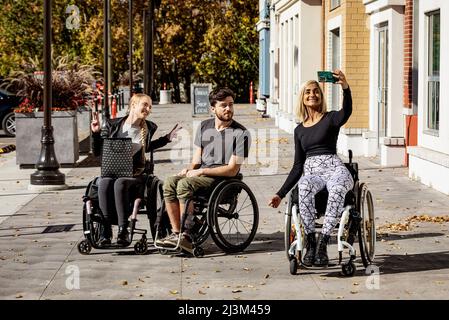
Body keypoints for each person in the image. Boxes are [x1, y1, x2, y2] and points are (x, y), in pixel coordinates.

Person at [268, 70, 354, 267]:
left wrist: (345, 87)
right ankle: (311, 242)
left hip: (335, 169)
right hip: (313, 173)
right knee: (304, 186)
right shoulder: (299, 130)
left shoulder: (331, 118)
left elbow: (347, 111)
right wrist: (280, 194)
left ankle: (324, 243)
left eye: (316, 91)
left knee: (337, 188)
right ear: (303, 98)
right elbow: (298, 166)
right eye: (308, 92)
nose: (312, 94)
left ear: (320, 96)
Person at [160, 87, 251, 253]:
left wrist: (201, 171)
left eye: (231, 104)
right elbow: (196, 160)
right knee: (169, 182)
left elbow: (232, 170)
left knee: (184, 185)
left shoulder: (241, 133)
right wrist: (186, 169)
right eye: (223, 105)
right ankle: (177, 233)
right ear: (213, 108)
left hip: (222, 180)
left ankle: (187, 235)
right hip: (201, 176)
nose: (228, 109)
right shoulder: (204, 126)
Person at [91, 93, 181, 246]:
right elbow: (98, 151)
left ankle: (123, 230)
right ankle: (105, 232)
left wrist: (166, 139)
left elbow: (146, 147)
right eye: (145, 105)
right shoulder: (112, 125)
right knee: (104, 182)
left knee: (120, 183)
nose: (148, 109)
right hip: (113, 170)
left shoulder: (148, 127)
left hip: (136, 173)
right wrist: (96, 133)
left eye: (150, 106)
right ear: (133, 105)